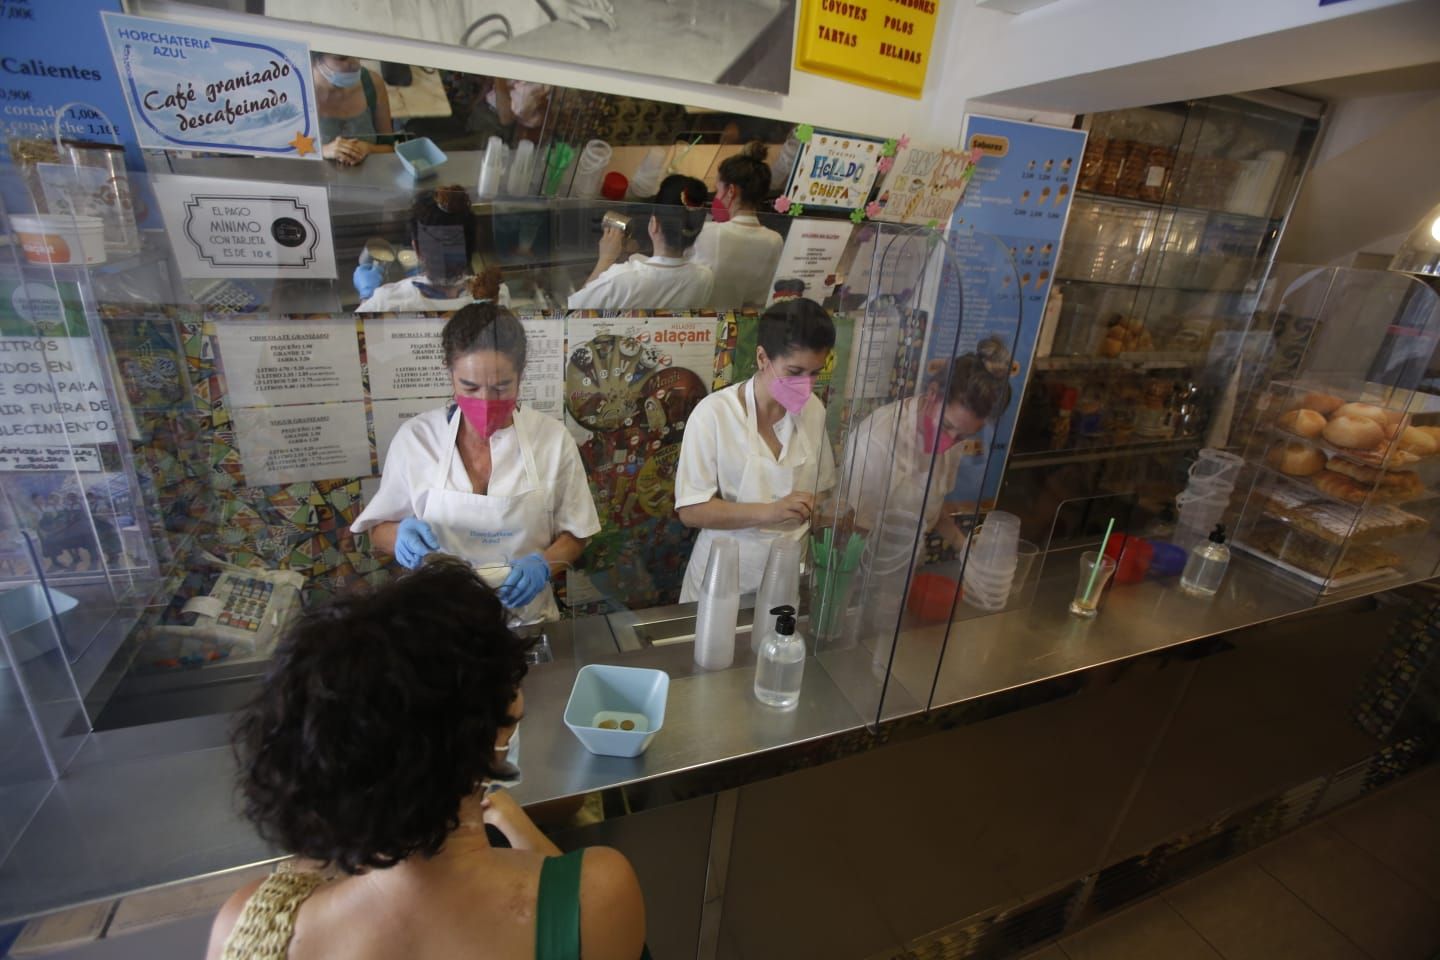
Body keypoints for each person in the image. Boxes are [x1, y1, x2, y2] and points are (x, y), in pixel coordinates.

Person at [206, 557, 647, 960]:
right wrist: (520, 829)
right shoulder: (600, 892)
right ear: (503, 723)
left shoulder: (249, 924)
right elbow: (568, 901)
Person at [350, 304, 600, 624]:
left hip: (525, 619)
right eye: (469, 387)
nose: (485, 402)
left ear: (521, 376)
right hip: (438, 621)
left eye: (501, 387)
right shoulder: (417, 439)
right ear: (450, 374)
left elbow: (578, 534)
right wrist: (400, 537)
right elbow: (379, 531)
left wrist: (544, 564)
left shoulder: (551, 440)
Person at [674, 299, 837, 602]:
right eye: (795, 371)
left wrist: (823, 511)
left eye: (814, 373)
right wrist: (771, 512)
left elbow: (823, 492)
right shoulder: (714, 414)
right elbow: (691, 510)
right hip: (722, 580)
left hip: (786, 580)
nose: (806, 385)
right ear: (763, 358)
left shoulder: (813, 411)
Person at [840, 338, 1014, 567]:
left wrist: (964, 548)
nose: (951, 441)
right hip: (863, 564)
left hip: (908, 564)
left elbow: (930, 504)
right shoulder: (876, 438)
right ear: (932, 393)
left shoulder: (953, 437)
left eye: (962, 436)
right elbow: (852, 529)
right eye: (946, 426)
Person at [356, 185, 510, 312]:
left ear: (416, 249)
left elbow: (351, 337)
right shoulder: (497, 295)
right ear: (472, 248)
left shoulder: (386, 301)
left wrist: (367, 297)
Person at [690, 142, 784, 310]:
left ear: (731, 191)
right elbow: (758, 299)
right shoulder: (774, 240)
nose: (716, 196)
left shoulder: (708, 232)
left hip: (705, 326)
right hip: (743, 326)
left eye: (717, 189)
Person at [567, 203, 713, 310]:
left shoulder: (620, 279)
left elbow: (574, 312)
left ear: (654, 224)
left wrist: (606, 259)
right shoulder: (704, 277)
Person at [312, 53, 395, 167]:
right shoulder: (302, 91)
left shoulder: (372, 83)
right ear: (318, 59)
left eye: (357, 55)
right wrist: (322, 151)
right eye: (342, 58)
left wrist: (369, 148)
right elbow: (286, 155)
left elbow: (390, 148)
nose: (355, 64)